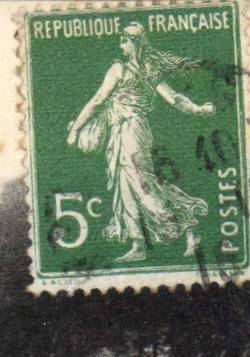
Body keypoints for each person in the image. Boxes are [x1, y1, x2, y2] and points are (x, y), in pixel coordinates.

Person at [65, 23, 215, 262]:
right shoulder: (148, 70)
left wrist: (75, 129)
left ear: (134, 43)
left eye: (124, 41)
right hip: (123, 132)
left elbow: (97, 100)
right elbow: (174, 99)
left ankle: (187, 225)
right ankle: (138, 244)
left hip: (132, 131)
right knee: (125, 186)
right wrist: (198, 109)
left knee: (141, 184)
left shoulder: (121, 69)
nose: (120, 46)